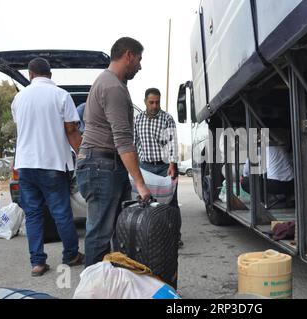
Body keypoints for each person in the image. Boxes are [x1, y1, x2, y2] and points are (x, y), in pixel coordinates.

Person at [76, 37, 151, 267]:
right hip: (101, 166)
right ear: (128, 55)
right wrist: (141, 184)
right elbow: (123, 141)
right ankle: (94, 289)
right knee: (100, 235)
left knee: (117, 229)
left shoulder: (113, 83)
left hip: (105, 165)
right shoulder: (112, 87)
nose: (140, 66)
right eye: (139, 59)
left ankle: (111, 283)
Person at [11, 57, 84, 276]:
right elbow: (71, 130)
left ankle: (37, 263)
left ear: (31, 75)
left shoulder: (18, 98)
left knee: (33, 215)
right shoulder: (61, 95)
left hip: (25, 165)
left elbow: (22, 131)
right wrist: (82, 155)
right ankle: (71, 255)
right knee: (61, 213)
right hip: (51, 164)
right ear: (50, 75)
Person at [134, 88, 182, 247]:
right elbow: (134, 145)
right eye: (151, 102)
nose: (155, 106)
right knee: (145, 203)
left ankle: (175, 236)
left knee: (171, 203)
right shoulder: (138, 120)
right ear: (145, 102)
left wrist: (173, 164)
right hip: (145, 167)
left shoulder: (167, 118)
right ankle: (147, 234)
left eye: (157, 102)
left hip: (165, 167)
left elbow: (173, 143)